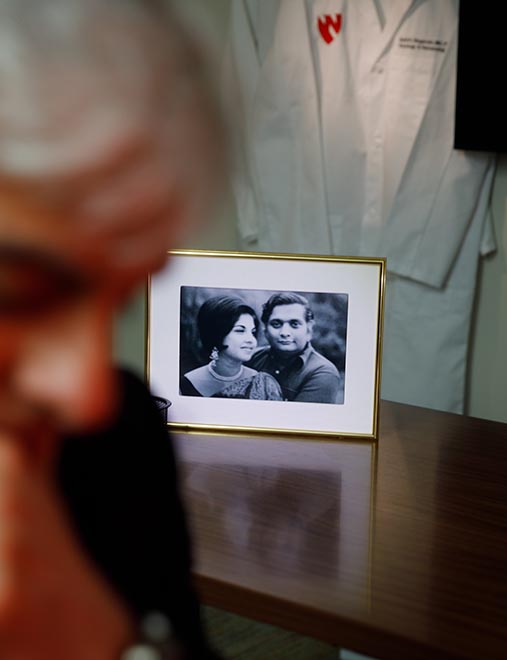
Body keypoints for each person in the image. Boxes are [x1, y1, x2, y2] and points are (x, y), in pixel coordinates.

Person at [0, 0, 223, 658]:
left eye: (117, 304)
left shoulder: (117, 444)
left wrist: (92, 634)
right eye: (20, 296)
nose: (88, 391)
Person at [181, 295, 283, 400]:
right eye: (240, 330)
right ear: (217, 333)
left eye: (252, 332)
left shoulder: (264, 384)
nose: (251, 340)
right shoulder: (187, 383)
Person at [248, 293, 340, 403]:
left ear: (309, 329)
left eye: (294, 324)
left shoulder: (323, 373)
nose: (285, 333)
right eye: (276, 324)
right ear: (266, 331)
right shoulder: (251, 357)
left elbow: (298, 418)